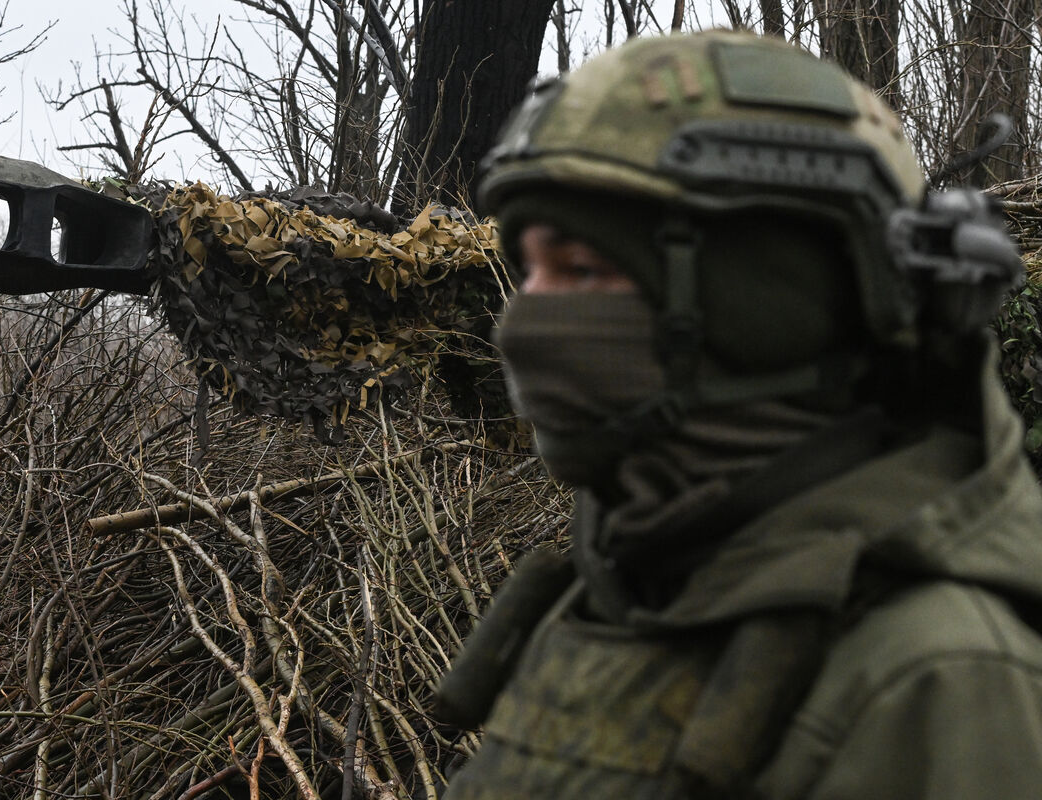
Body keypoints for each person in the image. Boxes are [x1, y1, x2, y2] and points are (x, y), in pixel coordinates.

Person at [436, 29, 1042, 800]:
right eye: (530, 271)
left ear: (764, 304)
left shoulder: (935, 676)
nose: (521, 323)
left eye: (582, 268)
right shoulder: (625, 589)